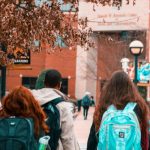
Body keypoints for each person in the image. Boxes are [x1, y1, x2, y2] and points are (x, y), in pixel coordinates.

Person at [87, 70, 150, 150]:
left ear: (109, 87)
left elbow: (92, 141)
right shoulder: (139, 107)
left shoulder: (103, 106)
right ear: (130, 87)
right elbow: (145, 139)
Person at [31, 69, 80, 150]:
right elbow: (67, 137)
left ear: (44, 83)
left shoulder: (30, 100)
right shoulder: (63, 105)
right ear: (59, 84)